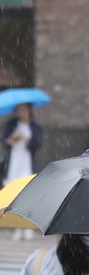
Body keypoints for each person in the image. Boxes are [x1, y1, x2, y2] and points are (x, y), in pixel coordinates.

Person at [2, 102, 43, 240]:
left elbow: (36, 145)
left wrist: (25, 137)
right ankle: (17, 228)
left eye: (24, 109)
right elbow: (5, 141)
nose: (22, 112)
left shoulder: (35, 127)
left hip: (27, 164)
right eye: (19, 110)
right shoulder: (12, 124)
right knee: (13, 195)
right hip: (14, 163)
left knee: (26, 194)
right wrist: (12, 138)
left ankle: (28, 226)